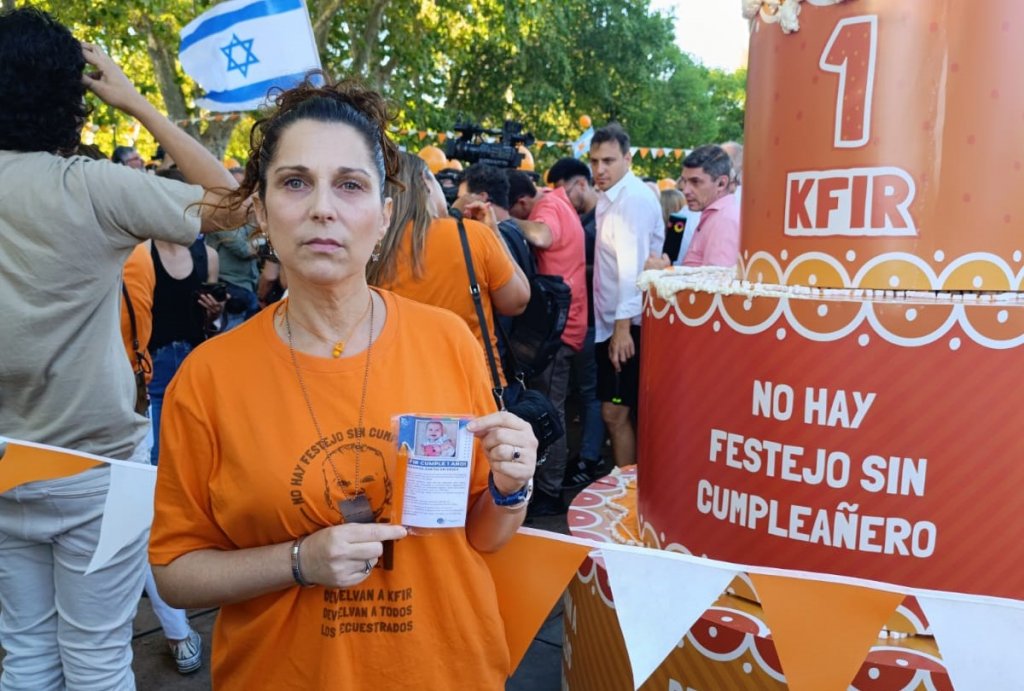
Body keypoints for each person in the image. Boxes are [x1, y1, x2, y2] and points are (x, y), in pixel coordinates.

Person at [149, 77, 539, 690]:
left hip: (448, 670)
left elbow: (483, 536)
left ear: (384, 217)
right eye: (296, 182)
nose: (322, 208)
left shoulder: (447, 340)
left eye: (350, 185)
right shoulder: (209, 376)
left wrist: (513, 489)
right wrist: (298, 561)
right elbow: (174, 568)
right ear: (260, 210)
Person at [0, 8, 239, 689]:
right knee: (98, 655)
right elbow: (230, 200)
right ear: (71, 97)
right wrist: (134, 101)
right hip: (98, 467)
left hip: (4, 462)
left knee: (24, 655)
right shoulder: (95, 189)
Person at [369, 152, 530, 384]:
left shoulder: (371, 248)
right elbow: (518, 301)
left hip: (399, 385)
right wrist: (494, 233)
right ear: (425, 182)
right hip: (473, 385)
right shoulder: (472, 235)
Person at [505, 170, 588, 515]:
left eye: (516, 210)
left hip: (560, 330)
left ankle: (550, 494)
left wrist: (503, 222)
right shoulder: (559, 200)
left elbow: (542, 235)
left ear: (522, 202)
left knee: (549, 409)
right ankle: (549, 486)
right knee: (552, 405)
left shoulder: (547, 206)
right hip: (565, 325)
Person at [588, 124, 663, 467]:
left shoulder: (631, 200)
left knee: (615, 416)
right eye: (594, 161)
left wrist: (621, 331)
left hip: (628, 327)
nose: (600, 169)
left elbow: (632, 272)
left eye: (608, 161)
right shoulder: (612, 197)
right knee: (620, 416)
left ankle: (625, 496)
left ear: (628, 159)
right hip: (617, 325)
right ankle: (628, 492)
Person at [545, 158, 606, 486]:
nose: (562, 199)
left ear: (581, 184)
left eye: (564, 191)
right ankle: (581, 456)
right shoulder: (583, 218)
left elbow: (614, 270)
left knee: (591, 393)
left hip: (598, 319)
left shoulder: (601, 222)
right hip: (584, 318)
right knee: (582, 393)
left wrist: (572, 270)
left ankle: (588, 459)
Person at [678, 144, 741, 268]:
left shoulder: (725, 220)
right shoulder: (718, 215)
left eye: (695, 182)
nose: (685, 190)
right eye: (684, 181)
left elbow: (715, 285)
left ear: (721, 183)